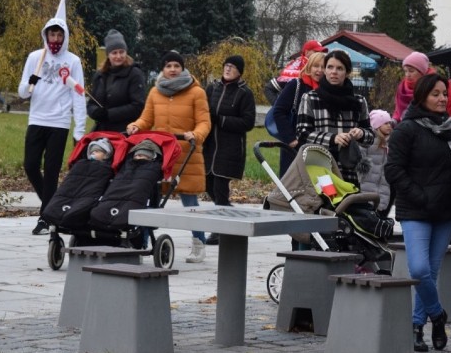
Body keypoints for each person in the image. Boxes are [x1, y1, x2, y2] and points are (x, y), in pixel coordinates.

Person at [385, 73, 451, 353]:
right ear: (422, 97)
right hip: (416, 210)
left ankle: (417, 326)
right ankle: (438, 315)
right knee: (419, 269)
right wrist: (420, 196)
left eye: (444, 93)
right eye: (435, 94)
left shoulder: (449, 129)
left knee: (432, 271)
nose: (442, 99)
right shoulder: (407, 129)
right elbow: (393, 170)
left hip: (445, 212)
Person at [127, 51, 212, 263]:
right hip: (160, 153)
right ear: (163, 69)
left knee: (190, 201)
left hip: (186, 153)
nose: (172, 69)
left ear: (182, 68)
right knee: (150, 199)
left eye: (176, 65)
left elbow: (204, 122)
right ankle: (142, 243)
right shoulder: (155, 92)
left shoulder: (196, 92)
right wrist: (136, 125)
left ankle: (198, 244)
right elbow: (147, 119)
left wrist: (197, 134)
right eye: (168, 66)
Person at [17, 3, 87, 235]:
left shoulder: (73, 62)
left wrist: (79, 130)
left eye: (59, 34)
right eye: (52, 34)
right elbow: (22, 93)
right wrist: (30, 83)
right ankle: (53, 201)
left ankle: (46, 217)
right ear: (46, 35)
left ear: (64, 36)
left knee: (51, 168)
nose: (55, 38)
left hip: (59, 123)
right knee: (30, 165)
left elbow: (78, 95)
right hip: (37, 119)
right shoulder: (34, 57)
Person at [297, 50, 375, 186]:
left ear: (347, 72)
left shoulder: (359, 101)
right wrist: (333, 138)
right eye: (330, 67)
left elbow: (370, 137)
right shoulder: (310, 98)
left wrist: (361, 133)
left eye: (340, 68)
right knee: (323, 205)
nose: (334, 72)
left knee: (347, 206)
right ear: (325, 70)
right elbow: (303, 133)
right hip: (319, 170)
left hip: (349, 172)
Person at [203, 56, 256, 245]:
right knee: (207, 183)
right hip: (210, 146)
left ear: (239, 72)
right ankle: (228, 213)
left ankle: (219, 229)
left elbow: (248, 122)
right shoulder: (212, 88)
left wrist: (221, 119)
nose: (228, 69)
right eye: (226, 66)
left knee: (220, 186)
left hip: (230, 147)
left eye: (232, 67)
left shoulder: (245, 93)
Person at [273, 52, 325, 177]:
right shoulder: (296, 85)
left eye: (323, 67)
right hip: (294, 145)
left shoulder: (327, 90)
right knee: (291, 183)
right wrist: (291, 140)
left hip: (318, 146)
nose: (319, 70)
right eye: (316, 66)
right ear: (309, 67)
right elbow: (279, 111)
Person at [86, 29, 146, 133]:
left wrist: (109, 114)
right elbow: (91, 103)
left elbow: (138, 106)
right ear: (108, 54)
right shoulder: (99, 75)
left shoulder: (135, 74)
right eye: (114, 53)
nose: (118, 56)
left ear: (126, 52)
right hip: (102, 130)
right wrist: (95, 112)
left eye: (121, 52)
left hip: (126, 131)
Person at [264, 39, 327, 105]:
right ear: (307, 52)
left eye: (321, 52)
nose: (319, 54)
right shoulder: (295, 69)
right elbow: (269, 88)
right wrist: (278, 105)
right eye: (316, 51)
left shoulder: (324, 68)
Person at [359, 109, 395, 216]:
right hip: (367, 185)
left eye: (390, 123)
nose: (389, 125)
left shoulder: (391, 142)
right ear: (377, 125)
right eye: (385, 123)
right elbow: (361, 160)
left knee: (382, 214)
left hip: (384, 186)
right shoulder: (369, 141)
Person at [393, 51, 435, 122]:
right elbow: (397, 111)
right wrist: (393, 121)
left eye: (411, 71)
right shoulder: (402, 88)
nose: (407, 74)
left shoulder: (432, 86)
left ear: (422, 72)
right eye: (405, 71)